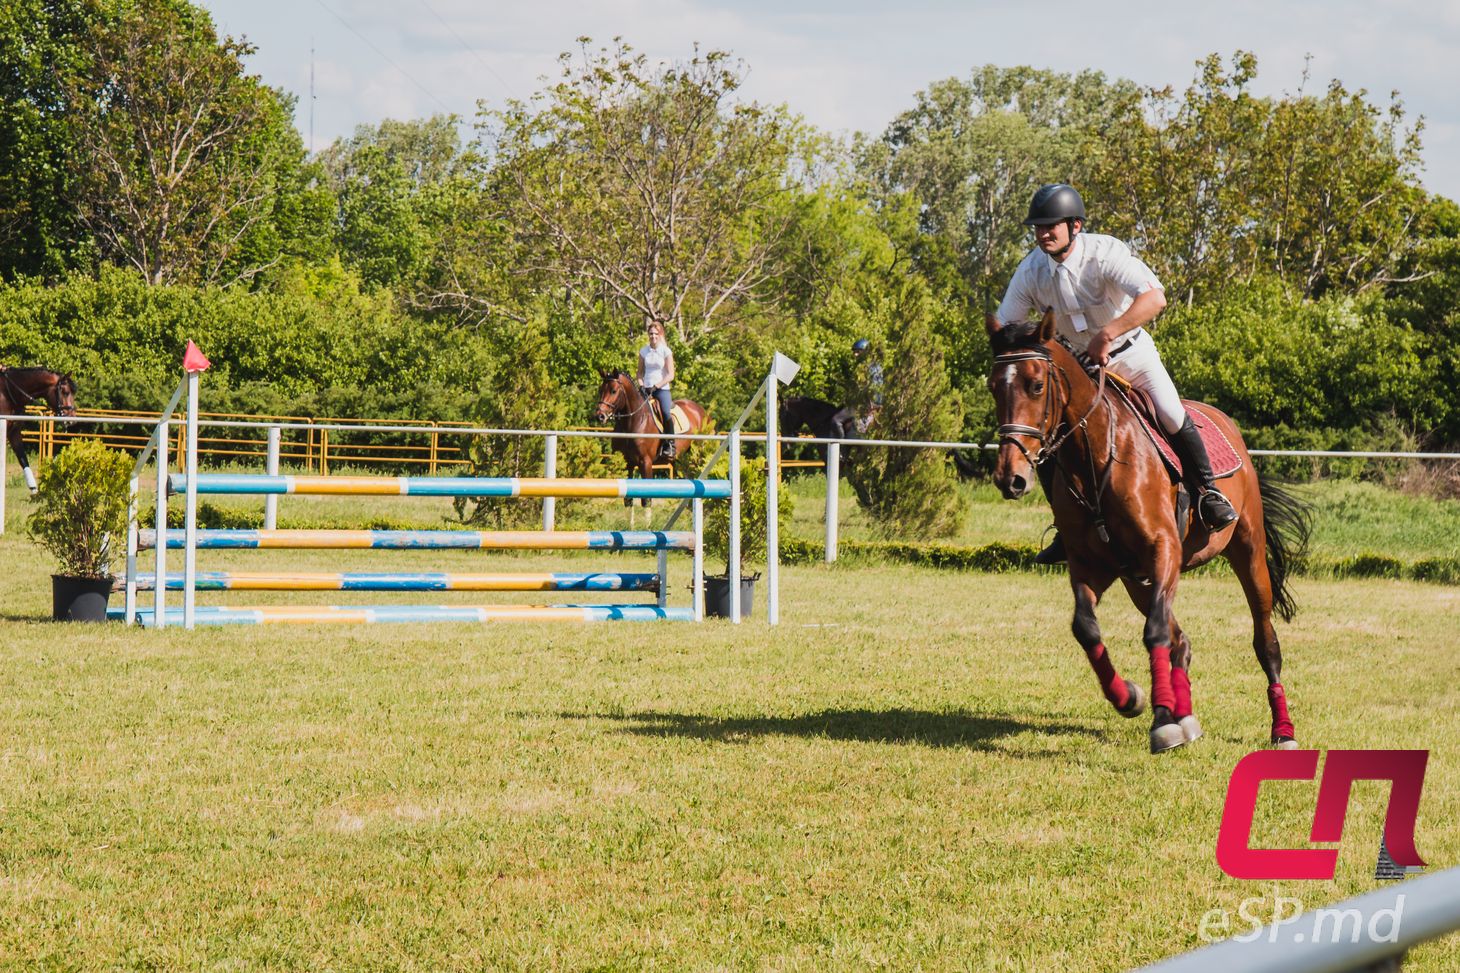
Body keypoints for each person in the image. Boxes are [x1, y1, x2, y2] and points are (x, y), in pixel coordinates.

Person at [992, 183, 1237, 565]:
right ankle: (1065, 525)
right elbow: (1007, 325)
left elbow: (1155, 297)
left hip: (1131, 356)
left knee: (1171, 414)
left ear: (1075, 226)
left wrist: (1108, 333)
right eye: (1037, 227)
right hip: (1081, 372)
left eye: (1050, 226)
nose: (1042, 234)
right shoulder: (1031, 271)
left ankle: (1208, 494)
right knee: (1049, 438)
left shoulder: (1105, 254)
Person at [636, 321, 677, 460]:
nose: (653, 336)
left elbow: (671, 375)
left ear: (660, 335)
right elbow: (639, 373)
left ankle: (670, 444)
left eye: (655, 334)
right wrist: (642, 385)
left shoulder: (666, 351)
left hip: (661, 389)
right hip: (646, 389)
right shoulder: (643, 351)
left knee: (665, 413)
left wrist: (657, 386)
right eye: (651, 334)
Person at [829, 338, 885, 439]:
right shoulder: (868, 366)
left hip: (865, 406)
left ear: (865, 352)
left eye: (858, 352)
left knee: (836, 420)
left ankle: (840, 449)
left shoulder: (871, 368)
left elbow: (873, 390)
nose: (855, 355)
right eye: (854, 352)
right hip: (864, 404)